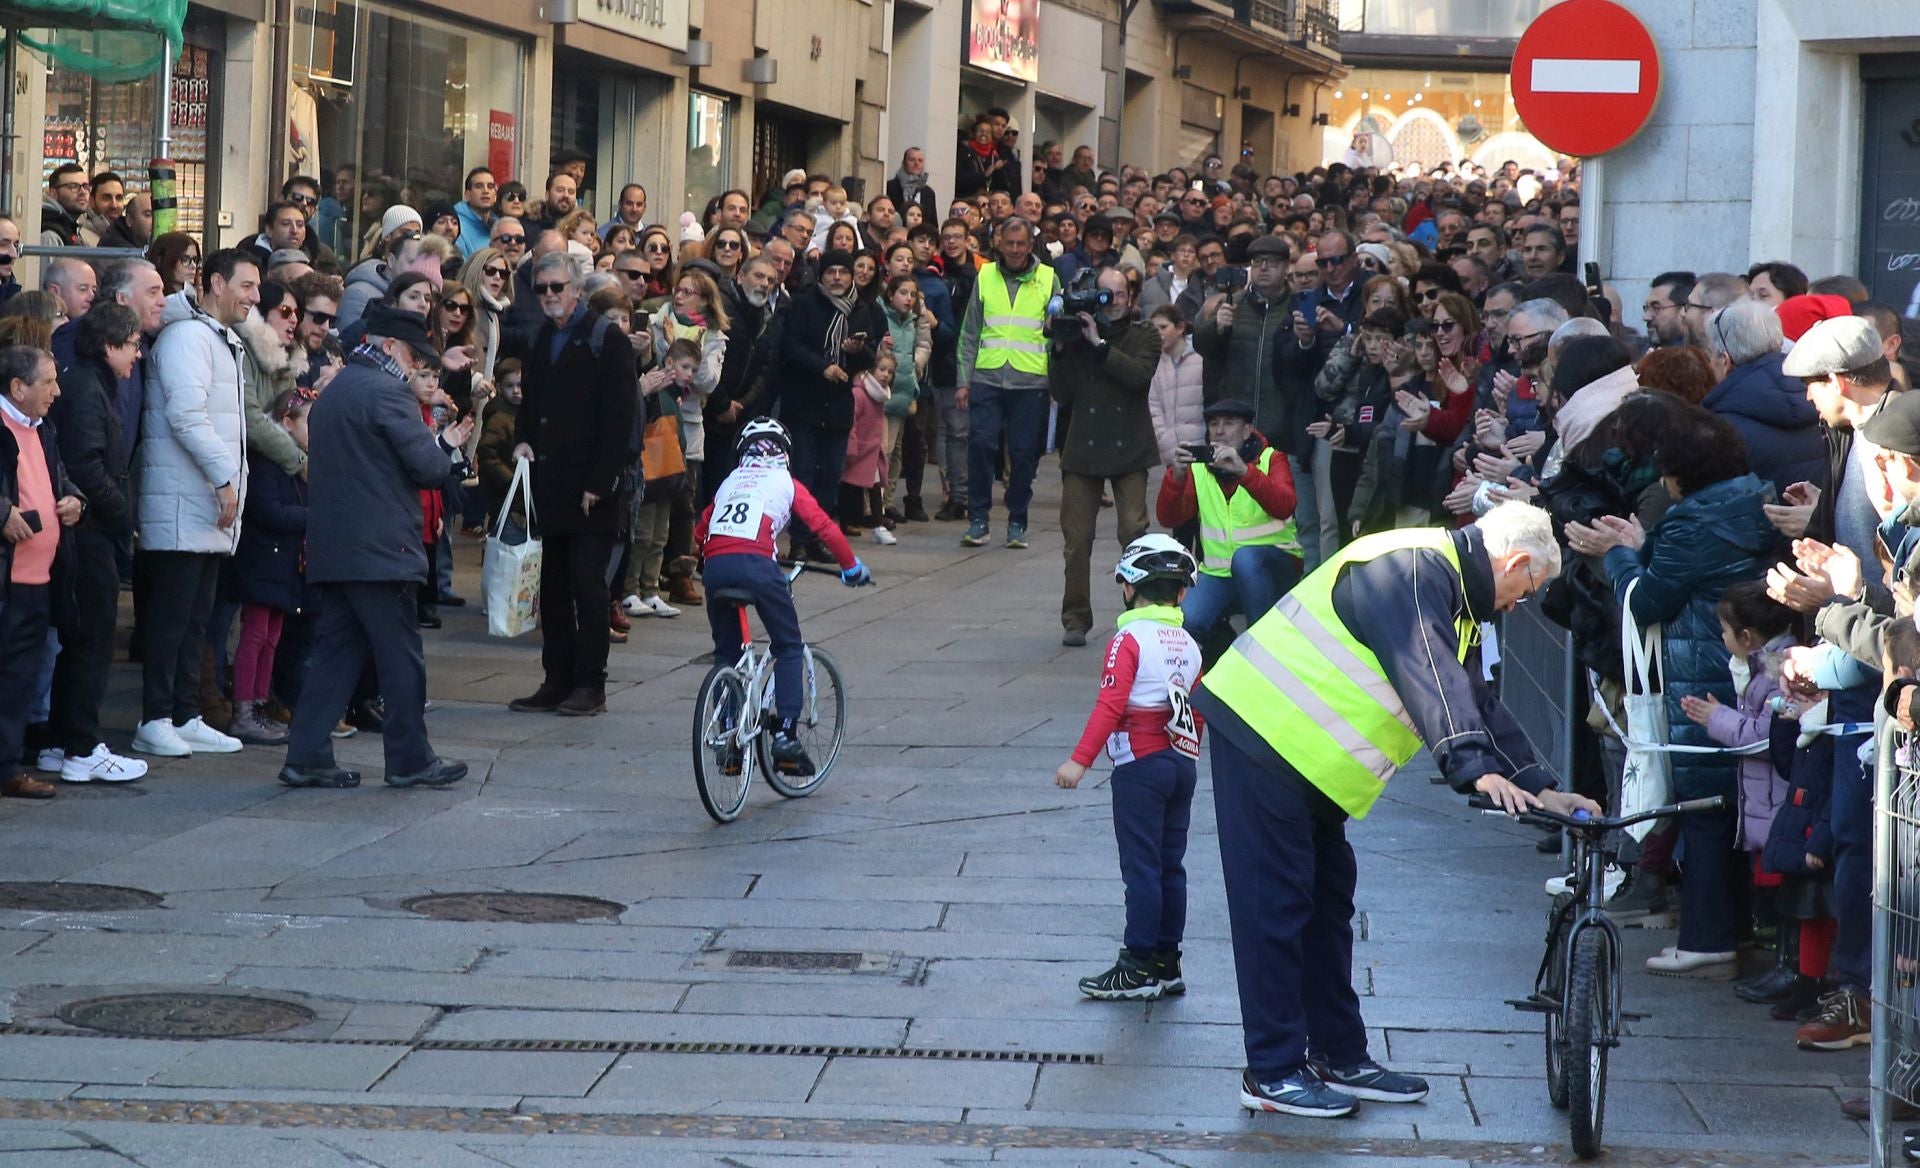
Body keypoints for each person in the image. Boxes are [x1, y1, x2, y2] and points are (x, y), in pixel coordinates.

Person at [1195, 501, 1595, 1117]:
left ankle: (1337, 1054)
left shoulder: (1446, 587)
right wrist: (1475, 769)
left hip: (1302, 760)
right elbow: (1428, 672)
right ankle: (1271, 1071)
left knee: (1325, 906)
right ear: (1513, 560)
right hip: (1263, 737)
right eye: (1528, 587)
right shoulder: (1411, 568)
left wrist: (1538, 784)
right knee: (1275, 908)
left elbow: (1471, 696)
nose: (1519, 604)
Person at [1565, 403, 1778, 977]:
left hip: (1698, 675)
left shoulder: (1693, 521)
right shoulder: (1749, 498)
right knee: (1731, 805)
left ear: (1684, 474)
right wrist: (1642, 541)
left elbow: (1648, 599)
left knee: (1704, 808)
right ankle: (1736, 933)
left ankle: (1708, 939)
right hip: (1731, 665)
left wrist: (1615, 555)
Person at [278, 304, 468, 790]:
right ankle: (409, 758)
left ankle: (307, 754)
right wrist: (444, 445)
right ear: (388, 347)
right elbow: (427, 468)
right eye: (412, 354)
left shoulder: (340, 387)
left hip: (337, 545)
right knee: (401, 656)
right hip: (381, 551)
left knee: (336, 652)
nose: (416, 366)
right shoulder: (388, 393)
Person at [1054, 535, 1204, 1000]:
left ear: (1128, 589)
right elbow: (1197, 710)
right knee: (1169, 866)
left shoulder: (1128, 639)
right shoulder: (1189, 642)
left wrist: (1080, 761)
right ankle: (1166, 961)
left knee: (1140, 867)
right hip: (1182, 763)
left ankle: (1137, 965)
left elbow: (1110, 704)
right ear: (1181, 593)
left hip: (1140, 765)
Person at [130, 249, 259, 759]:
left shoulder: (213, 337)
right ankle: (156, 716)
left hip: (204, 505)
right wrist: (225, 478)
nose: (255, 297)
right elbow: (187, 417)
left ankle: (183, 714)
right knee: (170, 619)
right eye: (247, 286)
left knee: (195, 620)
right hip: (184, 504)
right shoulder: (188, 338)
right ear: (215, 283)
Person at [696, 418, 871, 776]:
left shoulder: (729, 482)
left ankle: (729, 739)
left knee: (727, 653)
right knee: (788, 645)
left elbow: (701, 531)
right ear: (784, 453)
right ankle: (787, 737)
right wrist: (850, 566)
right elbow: (823, 526)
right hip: (757, 565)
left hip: (716, 566)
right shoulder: (786, 483)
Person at [505, 254, 637, 717]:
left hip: (591, 487)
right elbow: (530, 401)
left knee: (588, 585)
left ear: (577, 290)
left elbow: (619, 418)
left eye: (557, 287)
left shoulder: (606, 339)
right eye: (541, 289)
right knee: (554, 587)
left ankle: (590, 683)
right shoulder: (541, 337)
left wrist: (601, 481)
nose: (549, 296)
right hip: (551, 482)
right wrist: (522, 440)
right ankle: (556, 678)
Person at [43, 303, 147, 784]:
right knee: (91, 640)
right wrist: (121, 514)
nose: (138, 354)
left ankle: (61, 741)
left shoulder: (92, 384)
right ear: (109, 347)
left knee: (81, 640)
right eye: (131, 345)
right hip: (88, 533)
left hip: (89, 528)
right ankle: (81, 746)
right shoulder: (88, 389)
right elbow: (86, 465)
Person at [1051, 267, 1159, 645]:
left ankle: (1139, 607)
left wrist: (1099, 345)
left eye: (1117, 294)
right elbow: (1062, 395)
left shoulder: (1144, 334)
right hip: (1084, 446)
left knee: (1133, 530)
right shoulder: (1077, 334)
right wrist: (1062, 346)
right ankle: (1075, 618)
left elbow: (1138, 377)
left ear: (1130, 298)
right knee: (1077, 538)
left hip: (1129, 445)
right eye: (1104, 294)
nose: (1110, 302)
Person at [0, 345, 83, 799]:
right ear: (18, 387)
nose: (57, 390)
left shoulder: (43, 429)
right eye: (48, 382)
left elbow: (60, 477)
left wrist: (74, 500)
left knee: (20, 678)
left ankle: (8, 766)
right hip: (7, 579)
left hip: (40, 579)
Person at [1157, 397, 1300, 647]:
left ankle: (1262, 646)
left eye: (1228, 423)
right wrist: (1176, 477)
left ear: (1247, 430)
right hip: (1219, 573)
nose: (1219, 431)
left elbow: (1285, 504)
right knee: (1187, 621)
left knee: (1246, 559)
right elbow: (1169, 517)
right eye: (1213, 424)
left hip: (1274, 566)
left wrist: (1244, 472)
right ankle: (1224, 645)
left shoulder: (1270, 458)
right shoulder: (1200, 468)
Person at [955, 216, 1057, 548]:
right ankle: (979, 519)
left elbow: (1059, 334)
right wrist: (963, 380)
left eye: (1020, 244)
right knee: (981, 445)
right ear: (999, 243)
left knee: (1024, 453)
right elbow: (970, 332)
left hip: (1031, 382)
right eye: (1009, 243)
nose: (1014, 250)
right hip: (987, 376)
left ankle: (1017, 520)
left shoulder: (1048, 278)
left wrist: (1057, 382)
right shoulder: (985, 275)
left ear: (1031, 245)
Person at [778, 250, 879, 558]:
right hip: (805, 401)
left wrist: (855, 350)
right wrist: (822, 365)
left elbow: (871, 357)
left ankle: (816, 538)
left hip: (837, 405)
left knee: (830, 474)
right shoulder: (805, 303)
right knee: (804, 472)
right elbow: (790, 345)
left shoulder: (859, 310)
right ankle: (798, 538)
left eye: (843, 272)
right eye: (831, 271)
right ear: (821, 275)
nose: (837, 277)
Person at [229, 390, 313, 746]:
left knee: (272, 636)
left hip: (282, 563)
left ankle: (260, 705)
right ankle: (245, 709)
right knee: (256, 635)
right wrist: (316, 517)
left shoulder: (298, 463)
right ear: (287, 423)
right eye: (312, 423)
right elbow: (269, 511)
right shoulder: (270, 462)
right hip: (263, 559)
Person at [1700, 297, 1827, 496]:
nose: (1708, 363)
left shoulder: (1717, 426)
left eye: (1709, 354)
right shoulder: (1825, 398)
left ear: (1725, 360)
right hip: (1815, 522)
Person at [888, 147, 939, 227]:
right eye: (912, 160)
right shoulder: (890, 187)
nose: (916, 163)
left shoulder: (929, 193)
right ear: (904, 163)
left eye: (920, 160)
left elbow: (933, 224)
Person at [41, 164, 86, 247]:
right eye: (73, 186)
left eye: (85, 186)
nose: (83, 192)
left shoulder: (68, 224)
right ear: (53, 193)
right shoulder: (50, 234)